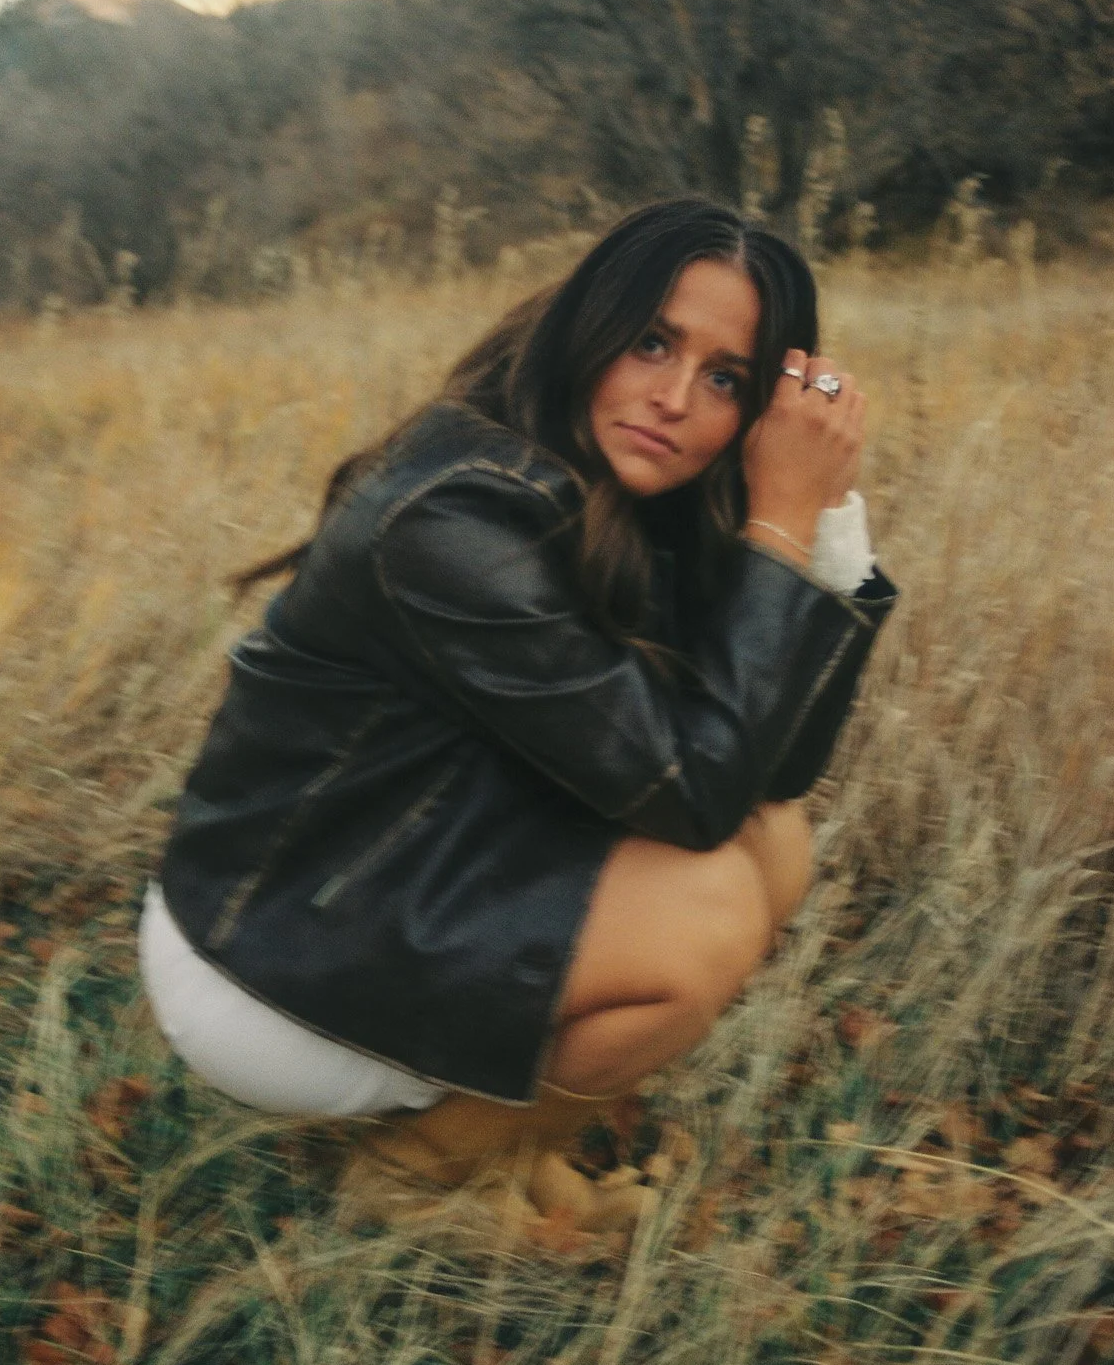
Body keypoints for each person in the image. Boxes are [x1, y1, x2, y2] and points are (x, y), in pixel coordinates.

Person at [140, 198, 896, 1232]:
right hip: (270, 950)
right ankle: (414, 1173)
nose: (674, 397)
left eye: (725, 378)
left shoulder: (630, 490)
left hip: (406, 875)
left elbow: (766, 768)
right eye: (649, 342)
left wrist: (825, 527)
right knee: (709, 910)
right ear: (588, 325)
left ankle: (504, 1145)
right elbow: (689, 791)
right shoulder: (456, 516)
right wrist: (779, 522)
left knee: (773, 839)